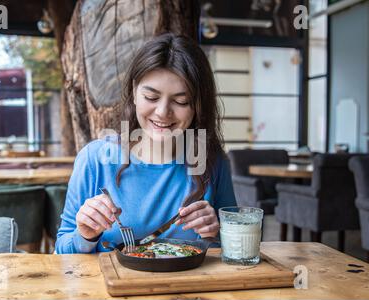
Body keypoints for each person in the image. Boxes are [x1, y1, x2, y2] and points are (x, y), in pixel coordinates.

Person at [55, 33, 236, 254]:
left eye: (181, 101)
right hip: (109, 287)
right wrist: (84, 235)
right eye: (151, 97)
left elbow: (237, 250)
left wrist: (216, 234)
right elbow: (61, 252)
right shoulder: (94, 159)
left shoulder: (213, 163)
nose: (162, 112)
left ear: (197, 106)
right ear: (133, 92)